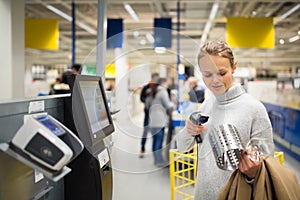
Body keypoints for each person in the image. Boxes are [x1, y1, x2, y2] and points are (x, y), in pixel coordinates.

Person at [176, 40, 274, 199]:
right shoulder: (207, 104)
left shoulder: (254, 109)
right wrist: (189, 130)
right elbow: (181, 146)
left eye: (222, 73)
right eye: (208, 75)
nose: (215, 80)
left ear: (234, 67)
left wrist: (252, 172)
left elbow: (268, 167)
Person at [148, 78, 175, 167]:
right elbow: (168, 105)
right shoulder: (162, 92)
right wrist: (174, 104)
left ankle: (156, 160)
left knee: (155, 140)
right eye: (166, 83)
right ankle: (160, 161)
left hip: (152, 120)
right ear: (163, 83)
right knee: (159, 142)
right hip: (159, 121)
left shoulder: (153, 92)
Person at [139, 72, 160, 158]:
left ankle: (156, 152)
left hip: (157, 115)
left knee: (157, 133)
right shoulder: (146, 87)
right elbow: (141, 98)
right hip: (148, 113)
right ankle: (142, 148)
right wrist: (147, 100)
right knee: (145, 131)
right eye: (155, 79)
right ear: (152, 78)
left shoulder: (160, 88)